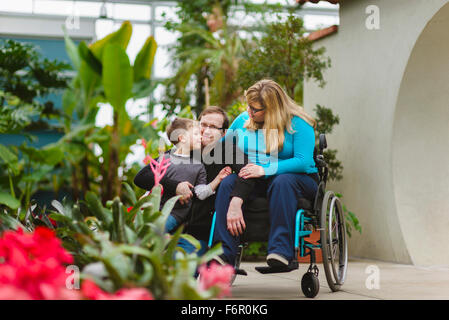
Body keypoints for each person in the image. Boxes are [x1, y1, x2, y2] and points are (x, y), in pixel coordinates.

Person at [212, 79, 319, 270]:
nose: (249, 112)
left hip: (298, 180)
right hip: (256, 179)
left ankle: (281, 252)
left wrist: (265, 169)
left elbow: (303, 161)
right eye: (249, 106)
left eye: (255, 109)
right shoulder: (244, 120)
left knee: (282, 181)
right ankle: (223, 253)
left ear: (272, 109)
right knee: (228, 182)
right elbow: (224, 148)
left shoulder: (299, 124)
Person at [133, 108, 254, 254]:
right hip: (168, 224)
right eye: (203, 124)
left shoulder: (228, 151)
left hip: (196, 235)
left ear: (223, 133)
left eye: (213, 127)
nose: (206, 130)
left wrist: (236, 201)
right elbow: (142, 176)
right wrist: (176, 186)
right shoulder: (185, 149)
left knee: (180, 269)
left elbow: (248, 173)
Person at [146, 117, 230, 234]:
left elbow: (200, 193)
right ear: (182, 138)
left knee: (153, 232)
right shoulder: (165, 159)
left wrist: (218, 179)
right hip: (154, 209)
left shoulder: (198, 166)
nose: (200, 137)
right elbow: (153, 180)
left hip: (175, 214)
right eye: (196, 134)